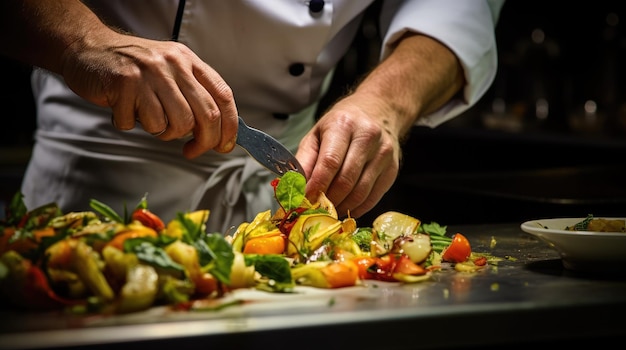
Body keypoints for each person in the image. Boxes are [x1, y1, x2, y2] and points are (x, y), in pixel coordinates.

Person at [0, 0, 504, 233]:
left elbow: (457, 6)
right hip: (98, 186)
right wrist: (86, 41)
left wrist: (387, 102)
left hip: (278, 219)